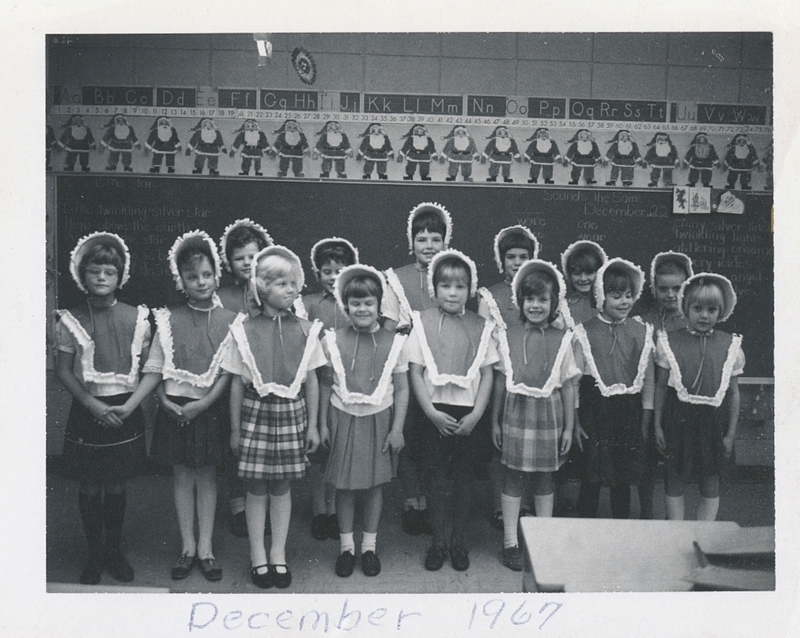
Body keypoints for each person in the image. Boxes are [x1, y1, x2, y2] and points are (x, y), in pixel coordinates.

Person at [54, 232, 157, 584]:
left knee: (115, 484)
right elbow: (64, 371)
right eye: (94, 271)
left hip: (125, 407)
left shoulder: (137, 318)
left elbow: (150, 369)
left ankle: (114, 550)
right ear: (82, 276)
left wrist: (130, 405)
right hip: (88, 407)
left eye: (109, 272)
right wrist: (90, 403)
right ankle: (94, 553)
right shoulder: (70, 319)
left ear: (120, 277)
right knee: (89, 484)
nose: (101, 277)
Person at [222, 245, 325, 589]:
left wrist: (312, 424)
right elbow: (236, 383)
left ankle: (278, 553)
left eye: (295, 283)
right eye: (282, 283)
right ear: (262, 287)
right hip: (255, 413)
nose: (292, 289)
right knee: (255, 487)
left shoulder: (306, 330)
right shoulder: (244, 330)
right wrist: (235, 429)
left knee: (281, 486)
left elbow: (311, 379)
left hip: (291, 413)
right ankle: (257, 555)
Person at [144, 231, 237, 582]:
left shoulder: (230, 320)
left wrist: (205, 404)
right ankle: (187, 547)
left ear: (217, 276)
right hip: (174, 406)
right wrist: (164, 399)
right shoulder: (168, 319)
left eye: (206, 275)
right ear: (180, 280)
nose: (200, 282)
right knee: (182, 475)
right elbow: (155, 365)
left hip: (208, 406)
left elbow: (230, 371)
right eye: (192, 276)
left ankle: (206, 548)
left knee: (208, 476)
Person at [407, 249, 498, 572]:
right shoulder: (423, 322)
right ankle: (438, 541)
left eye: (460, 287)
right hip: (433, 411)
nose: (452, 293)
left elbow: (488, 373)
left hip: (469, 413)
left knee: (463, 479)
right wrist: (430, 412)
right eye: (446, 286)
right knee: (433, 477)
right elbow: (415, 370)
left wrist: (476, 415)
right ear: (435, 288)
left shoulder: (480, 326)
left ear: (469, 290)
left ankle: (458, 541)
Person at [319, 265, 409, 577]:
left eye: (369, 303)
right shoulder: (332, 340)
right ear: (345, 305)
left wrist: (397, 428)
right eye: (355, 303)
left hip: (378, 419)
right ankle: (347, 547)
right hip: (342, 417)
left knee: (373, 486)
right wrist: (321, 424)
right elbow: (324, 383)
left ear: (378, 305)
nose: (362, 309)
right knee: (344, 486)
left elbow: (402, 388)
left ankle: (369, 546)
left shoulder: (394, 342)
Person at [491, 260, 579, 571]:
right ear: (520, 301)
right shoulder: (507, 336)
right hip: (517, 413)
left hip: (549, 415)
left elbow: (568, 387)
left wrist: (569, 427)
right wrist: (495, 421)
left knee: (545, 478)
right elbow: (501, 382)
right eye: (530, 299)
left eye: (543, 299)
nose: (536, 305)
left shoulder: (564, 339)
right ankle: (510, 541)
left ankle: (544, 538)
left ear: (554, 302)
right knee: (514, 477)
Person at [383, 202, 453, 535]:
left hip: (443, 368)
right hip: (409, 367)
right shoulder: (396, 279)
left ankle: (433, 498)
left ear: (445, 241)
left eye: (435, 238)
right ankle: (413, 499)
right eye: (421, 238)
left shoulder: (452, 274)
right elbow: (387, 326)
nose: (428, 245)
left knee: (433, 440)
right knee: (409, 435)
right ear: (411, 242)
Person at [653, 274, 743, 521]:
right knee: (675, 477)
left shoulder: (730, 345)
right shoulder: (669, 342)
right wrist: (658, 426)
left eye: (712, 309)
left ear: (721, 311)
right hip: (678, 419)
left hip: (714, 422)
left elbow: (734, 393)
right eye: (698, 308)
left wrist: (730, 434)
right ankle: (676, 530)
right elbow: (661, 388)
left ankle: (705, 531)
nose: (704, 315)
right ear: (686, 308)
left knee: (710, 480)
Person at [572, 258, 654, 519]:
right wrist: (574, 420)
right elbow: (574, 381)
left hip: (628, 412)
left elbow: (648, 380)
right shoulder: (584, 332)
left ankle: (621, 529)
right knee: (592, 476)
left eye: (629, 295)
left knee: (623, 477)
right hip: (595, 410)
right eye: (616, 295)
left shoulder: (640, 331)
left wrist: (646, 419)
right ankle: (584, 531)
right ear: (601, 296)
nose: (624, 302)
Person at [296, 237, 360, 542]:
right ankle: (319, 509)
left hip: (347, 387)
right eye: (326, 271)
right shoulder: (307, 304)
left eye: (340, 270)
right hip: (316, 384)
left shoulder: (356, 305)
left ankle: (336, 509)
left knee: (340, 448)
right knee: (319, 451)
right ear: (316, 273)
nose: (333, 276)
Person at [477, 225, 540, 530]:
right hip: (500, 378)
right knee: (499, 446)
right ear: (501, 260)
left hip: (532, 383)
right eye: (511, 256)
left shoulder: (541, 293)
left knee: (527, 447)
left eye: (523, 256)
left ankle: (523, 502)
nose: (517, 262)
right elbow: (483, 341)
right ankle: (499, 505)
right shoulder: (490, 296)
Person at [217, 219, 273, 537]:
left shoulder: (270, 291)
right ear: (229, 262)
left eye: (253, 257)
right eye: (240, 258)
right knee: (233, 443)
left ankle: (260, 501)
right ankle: (238, 503)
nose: (247, 263)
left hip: (261, 378)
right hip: (229, 378)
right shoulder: (221, 296)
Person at [633, 251, 694, 519]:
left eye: (677, 288)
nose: (670, 294)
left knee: (675, 464)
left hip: (679, 402)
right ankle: (647, 512)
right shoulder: (644, 322)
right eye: (663, 288)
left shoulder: (695, 320)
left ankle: (673, 518)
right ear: (654, 289)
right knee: (646, 461)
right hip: (648, 399)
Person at [560, 240, 608, 328]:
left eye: (589, 273)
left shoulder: (608, 303)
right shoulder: (563, 306)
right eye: (577, 274)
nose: (583, 279)